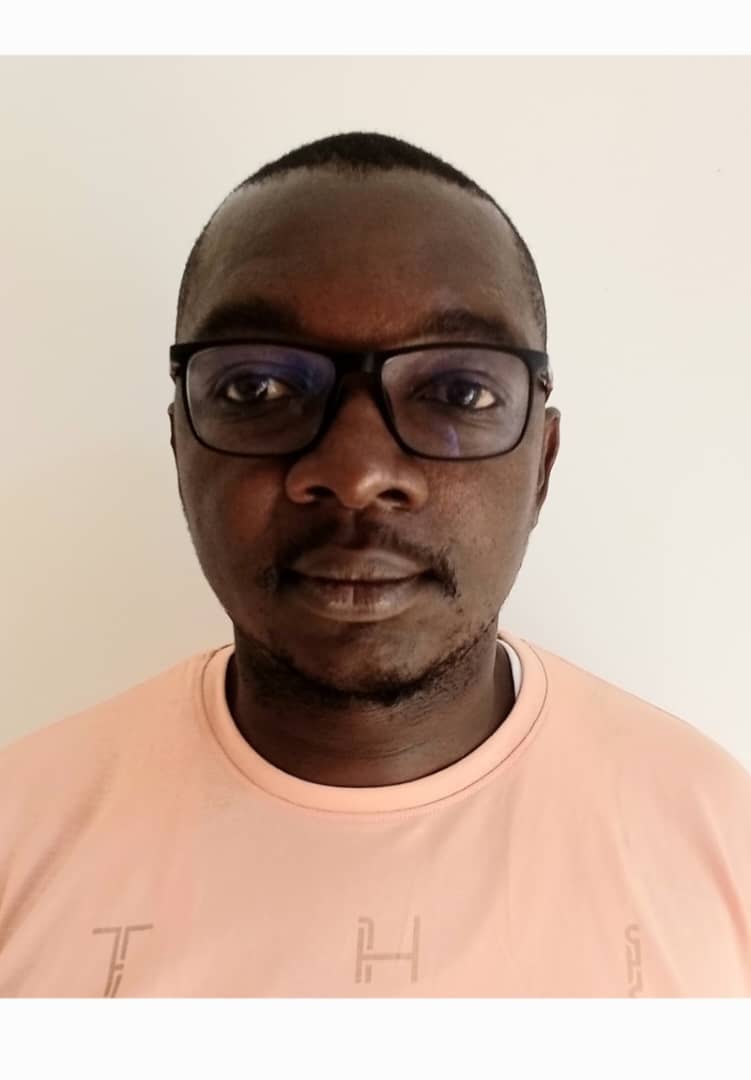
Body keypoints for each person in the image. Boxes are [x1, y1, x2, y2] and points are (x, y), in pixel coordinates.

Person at [1, 132, 749, 999]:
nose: (356, 473)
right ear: (180, 447)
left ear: (540, 465)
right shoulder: (21, 835)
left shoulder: (719, 848)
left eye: (458, 392)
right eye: (257, 388)